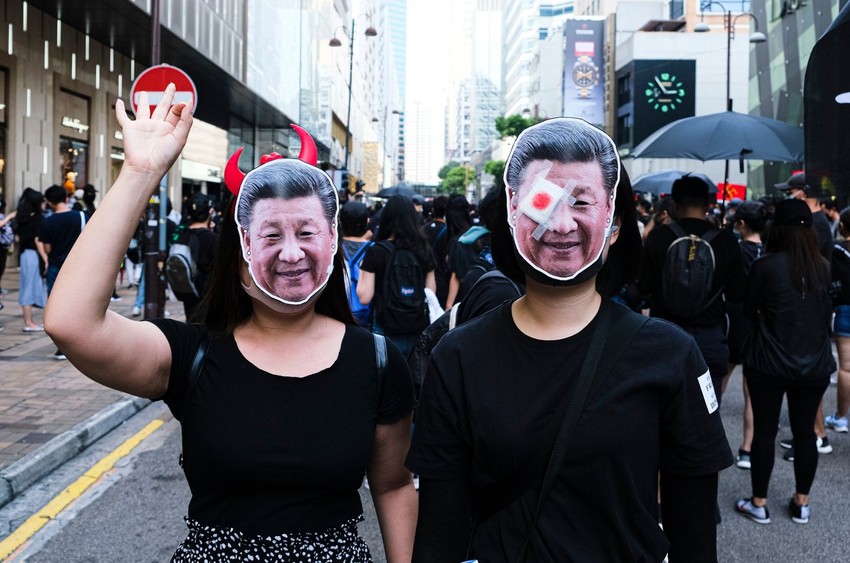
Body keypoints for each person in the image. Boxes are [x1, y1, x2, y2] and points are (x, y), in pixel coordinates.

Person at [44, 85, 416, 561]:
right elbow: (71, 323)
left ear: (330, 245)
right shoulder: (191, 354)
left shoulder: (378, 361)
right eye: (269, 235)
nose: (291, 252)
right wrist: (140, 171)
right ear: (237, 256)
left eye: (306, 232)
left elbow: (393, 486)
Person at [407, 117, 732, 562]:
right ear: (512, 213)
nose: (561, 225)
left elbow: (694, 538)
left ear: (614, 226)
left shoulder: (672, 356)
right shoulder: (459, 356)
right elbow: (438, 535)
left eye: (581, 203)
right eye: (543, 203)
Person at [735, 198, 834, 526]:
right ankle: (801, 502)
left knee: (765, 430)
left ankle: (759, 503)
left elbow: (747, 311)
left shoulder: (766, 266)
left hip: (769, 362)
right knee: (805, 433)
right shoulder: (822, 266)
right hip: (814, 364)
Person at [639, 175, 745, 400]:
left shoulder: (659, 237)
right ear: (708, 204)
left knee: (663, 409)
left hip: (664, 334)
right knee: (706, 410)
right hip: (709, 337)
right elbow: (737, 293)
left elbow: (644, 287)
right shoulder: (725, 241)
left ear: (675, 203)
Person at [358, 195, 437, 359]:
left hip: (385, 327)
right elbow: (430, 291)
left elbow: (364, 297)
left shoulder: (376, 251)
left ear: (386, 217)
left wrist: (362, 269)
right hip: (417, 326)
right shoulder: (424, 250)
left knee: (387, 378)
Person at [722, 200, 769, 471]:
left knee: (718, 383)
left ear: (740, 224)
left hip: (734, 322)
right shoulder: (771, 252)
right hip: (761, 325)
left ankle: (708, 438)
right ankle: (747, 448)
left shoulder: (735, 251)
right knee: (752, 391)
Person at [825, 206, 850, 434]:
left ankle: (841, 417)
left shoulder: (837, 250)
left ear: (842, 225)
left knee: (847, 367)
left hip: (845, 309)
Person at [13, 188, 48, 333]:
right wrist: (46, 259)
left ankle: (30, 321)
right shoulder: (38, 218)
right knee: (28, 288)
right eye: (42, 202)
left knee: (26, 286)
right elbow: (38, 241)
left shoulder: (21, 217)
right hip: (33, 255)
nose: (44, 205)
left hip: (24, 255)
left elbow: (17, 239)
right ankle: (28, 322)